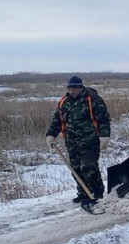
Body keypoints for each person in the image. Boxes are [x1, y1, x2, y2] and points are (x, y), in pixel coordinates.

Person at [46, 75, 111, 203]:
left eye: (74, 89)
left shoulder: (93, 100)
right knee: (75, 168)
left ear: (80, 87)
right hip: (71, 142)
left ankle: (97, 193)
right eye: (69, 89)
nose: (72, 91)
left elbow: (103, 119)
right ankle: (84, 193)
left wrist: (104, 136)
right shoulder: (64, 102)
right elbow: (57, 121)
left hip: (90, 141)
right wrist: (51, 135)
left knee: (88, 166)